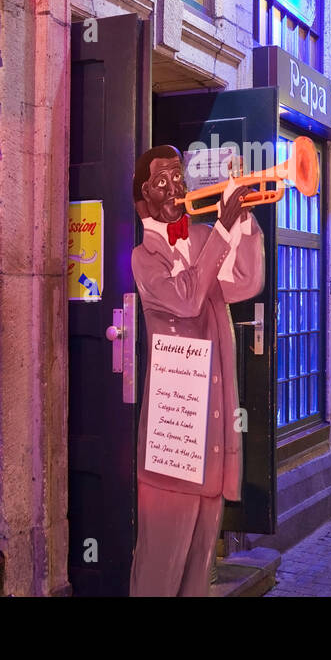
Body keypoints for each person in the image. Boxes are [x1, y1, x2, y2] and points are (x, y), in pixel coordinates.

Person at [128, 144, 266, 597]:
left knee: (197, 575)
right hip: (173, 440)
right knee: (159, 574)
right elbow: (186, 301)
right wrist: (222, 230)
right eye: (162, 181)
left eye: (178, 178)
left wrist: (241, 216)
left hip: (210, 439)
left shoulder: (205, 239)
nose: (175, 188)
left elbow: (246, 281)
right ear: (143, 195)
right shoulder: (143, 258)